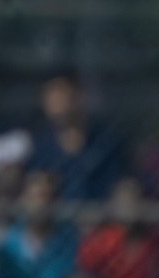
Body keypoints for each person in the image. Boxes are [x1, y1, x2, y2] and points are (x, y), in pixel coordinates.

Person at [0, 170, 78, 278]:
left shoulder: (69, 246)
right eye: (33, 197)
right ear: (22, 201)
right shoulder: (5, 245)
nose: (40, 205)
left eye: (46, 197)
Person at [28, 74, 126, 202]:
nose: (57, 105)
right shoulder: (41, 149)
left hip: (101, 216)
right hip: (57, 219)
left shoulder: (105, 143)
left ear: (78, 97)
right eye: (51, 100)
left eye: (61, 97)